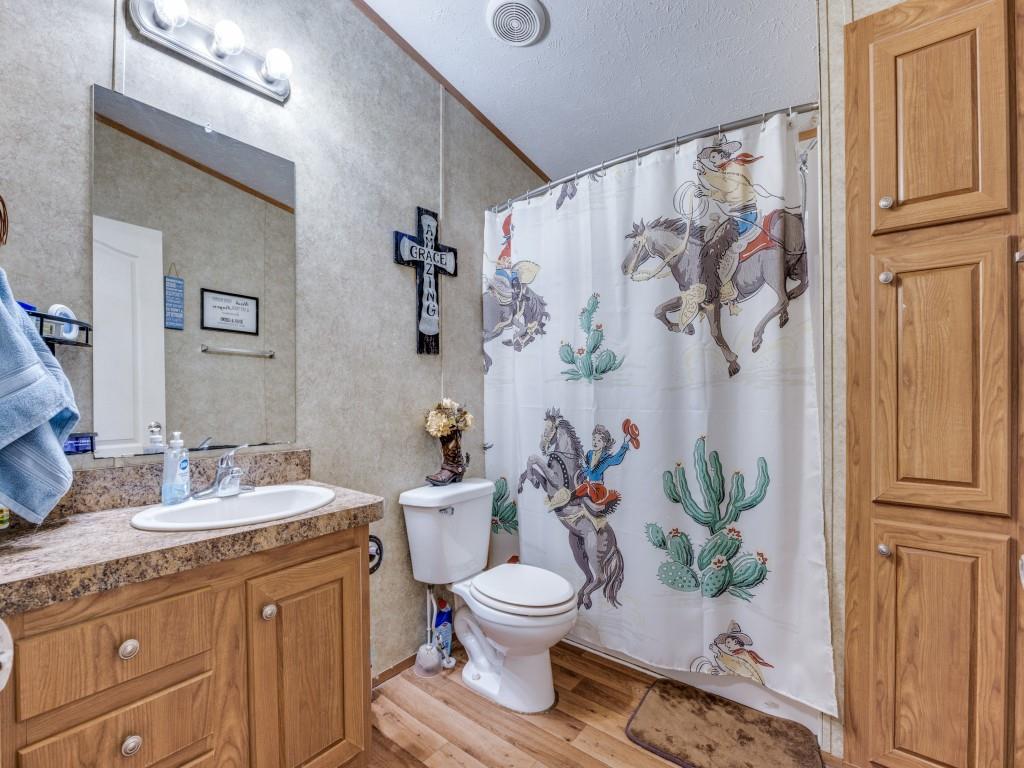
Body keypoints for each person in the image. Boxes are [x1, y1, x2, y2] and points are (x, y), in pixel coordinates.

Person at [574, 419, 640, 514]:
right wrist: (582, 467)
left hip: (598, 489)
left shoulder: (605, 459)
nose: (595, 442)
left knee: (587, 494)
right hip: (588, 485)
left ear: (604, 443)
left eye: (599, 440)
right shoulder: (590, 454)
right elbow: (588, 470)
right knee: (575, 494)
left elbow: (616, 459)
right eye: (594, 439)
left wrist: (625, 443)